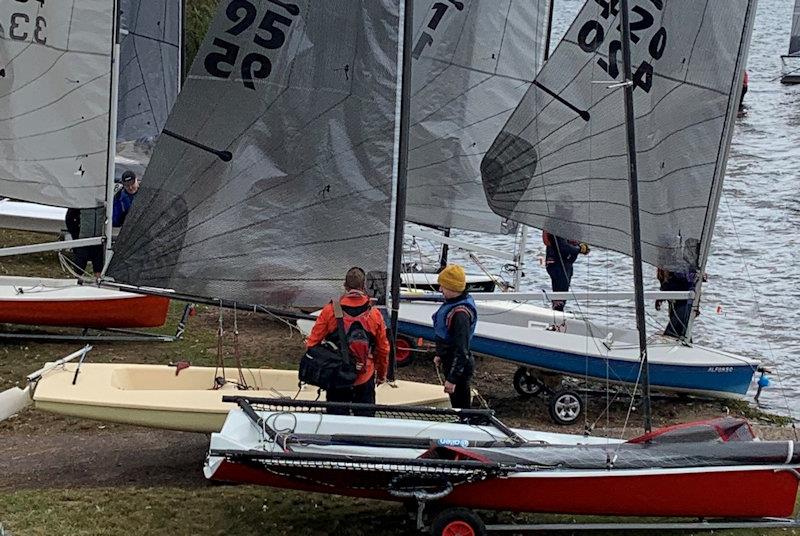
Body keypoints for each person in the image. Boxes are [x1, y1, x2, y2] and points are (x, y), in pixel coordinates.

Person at [306, 267, 389, 413]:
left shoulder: (330, 310)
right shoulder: (374, 314)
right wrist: (381, 375)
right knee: (365, 426)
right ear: (364, 287)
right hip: (365, 376)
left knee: (336, 422)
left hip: (338, 376)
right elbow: (383, 349)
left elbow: (312, 344)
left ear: (345, 286)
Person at [432, 264, 477, 409]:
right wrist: (440, 354)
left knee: (461, 406)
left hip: (459, 367)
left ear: (453, 288)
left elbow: (462, 350)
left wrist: (452, 379)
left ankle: (465, 424)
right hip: (450, 360)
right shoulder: (453, 304)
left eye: (443, 287)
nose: (440, 290)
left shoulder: (460, 315)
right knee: (457, 403)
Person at [543, 231, 590, 311]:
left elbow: (576, 239)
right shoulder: (555, 225)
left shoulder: (572, 225)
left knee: (562, 296)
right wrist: (579, 249)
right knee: (559, 297)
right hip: (556, 264)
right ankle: (557, 311)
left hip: (566, 263)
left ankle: (558, 313)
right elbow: (562, 246)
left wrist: (580, 247)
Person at [655, 268, 697, 340]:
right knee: (681, 329)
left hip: (685, 301)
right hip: (675, 301)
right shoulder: (664, 271)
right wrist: (661, 297)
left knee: (677, 330)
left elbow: (689, 284)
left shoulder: (679, 271)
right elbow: (666, 285)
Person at [65, 207, 104, 278]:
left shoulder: (104, 201)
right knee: (79, 268)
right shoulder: (81, 202)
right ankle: (76, 284)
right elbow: (69, 219)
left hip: (99, 241)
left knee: (99, 268)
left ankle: (99, 284)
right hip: (82, 240)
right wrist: (76, 235)